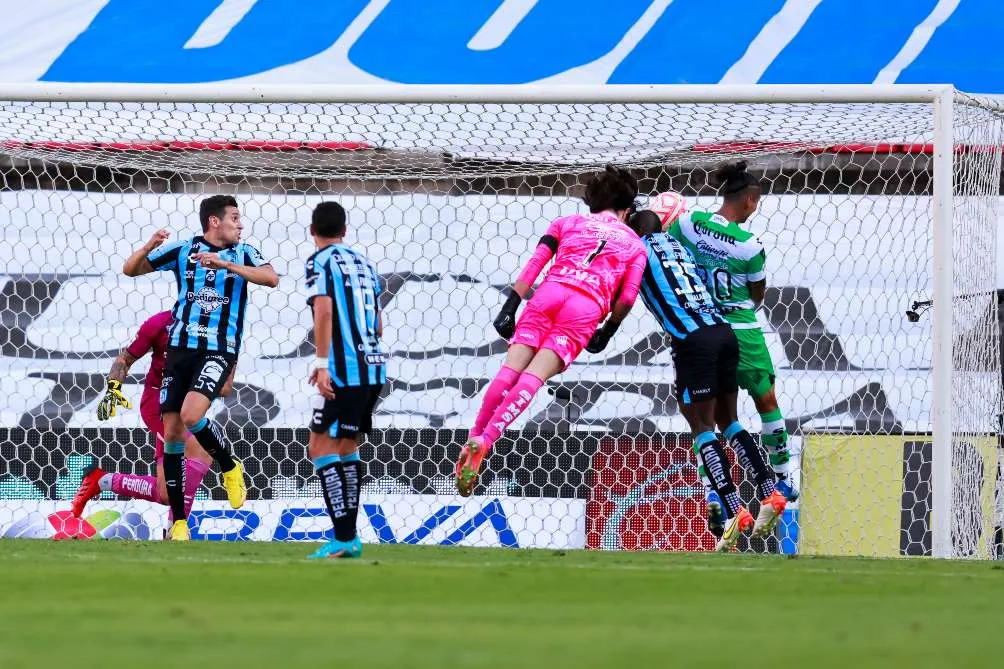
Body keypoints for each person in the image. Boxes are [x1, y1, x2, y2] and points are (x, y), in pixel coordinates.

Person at [455, 165, 648, 497]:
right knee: (534, 376)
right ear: (627, 209)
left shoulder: (567, 223)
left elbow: (536, 262)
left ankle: (474, 436)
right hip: (586, 306)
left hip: (549, 293)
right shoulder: (635, 245)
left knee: (509, 370)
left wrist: (510, 304)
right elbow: (628, 297)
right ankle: (486, 442)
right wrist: (609, 330)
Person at [608, 210, 786, 551]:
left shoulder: (637, 252)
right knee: (729, 421)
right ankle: (769, 489)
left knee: (702, 427)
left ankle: (735, 510)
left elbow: (625, 296)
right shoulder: (677, 245)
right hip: (724, 333)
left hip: (693, 343)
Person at [122, 195, 278, 540]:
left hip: (218, 349)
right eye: (234, 218)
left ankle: (229, 465)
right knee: (174, 434)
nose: (240, 224)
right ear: (214, 221)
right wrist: (150, 244)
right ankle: (179, 524)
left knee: (193, 416)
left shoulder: (244, 252)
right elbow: (130, 269)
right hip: (180, 349)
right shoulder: (183, 250)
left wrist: (226, 266)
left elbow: (271, 279)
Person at [667, 162, 798, 505]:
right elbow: (757, 295)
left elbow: (672, 257)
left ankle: (713, 491)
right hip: (741, 331)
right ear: (751, 202)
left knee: (703, 416)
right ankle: (782, 478)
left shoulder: (689, 222)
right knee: (766, 400)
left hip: (699, 328)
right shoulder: (750, 245)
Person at [71, 311, 234, 524]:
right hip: (158, 402)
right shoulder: (161, 323)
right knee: (200, 447)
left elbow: (224, 388)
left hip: (189, 405)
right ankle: (175, 533)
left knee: (166, 493)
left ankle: (103, 480)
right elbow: (125, 359)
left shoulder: (222, 331)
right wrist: (113, 388)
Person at [304, 202, 387, 559]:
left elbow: (323, 311)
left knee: (320, 448)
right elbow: (378, 324)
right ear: (345, 231)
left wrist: (324, 363)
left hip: (345, 371)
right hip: (374, 368)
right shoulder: (366, 264)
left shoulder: (319, 262)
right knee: (347, 447)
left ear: (312, 231)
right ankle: (349, 537)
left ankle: (343, 536)